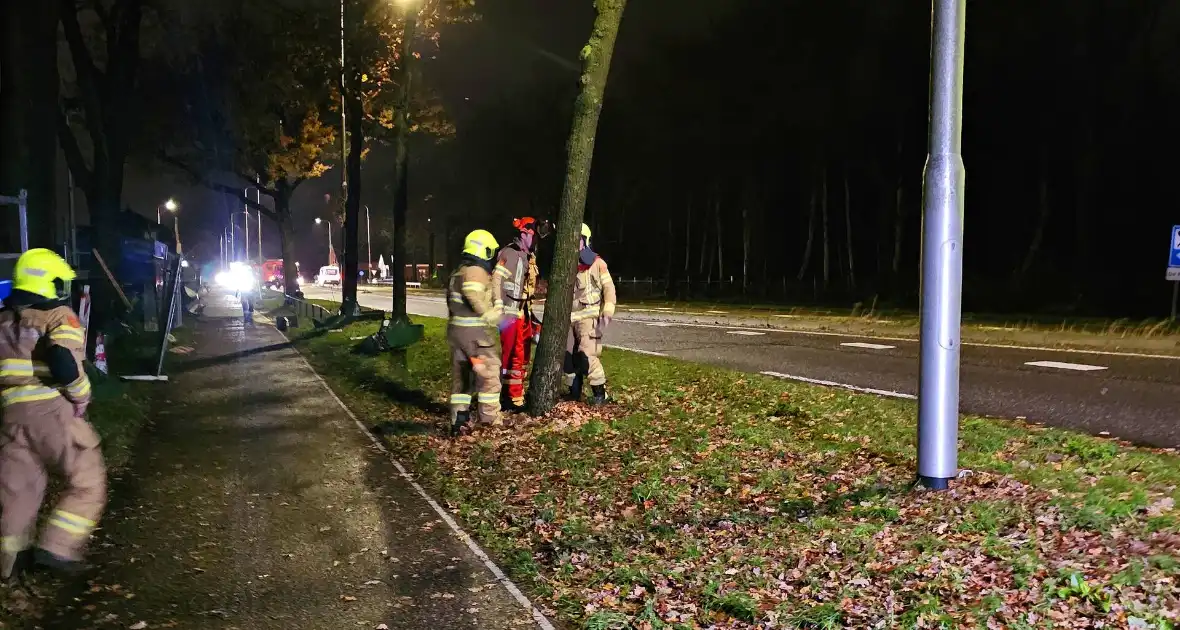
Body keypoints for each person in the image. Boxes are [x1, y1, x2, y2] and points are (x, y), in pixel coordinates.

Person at [0, 249, 106, 581]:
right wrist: (81, 395)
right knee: (88, 481)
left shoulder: (2, 319)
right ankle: (56, 547)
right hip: (50, 410)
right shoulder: (59, 316)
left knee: (18, 490)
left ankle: (10, 565)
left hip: (9, 417)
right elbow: (62, 360)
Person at [447, 230, 504, 436]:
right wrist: (491, 315)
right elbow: (473, 294)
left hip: (457, 338)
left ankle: (459, 420)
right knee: (489, 376)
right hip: (475, 340)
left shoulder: (457, 272)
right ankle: (490, 421)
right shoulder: (474, 272)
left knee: (462, 380)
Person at [490, 217, 544, 411]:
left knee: (519, 358)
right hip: (508, 313)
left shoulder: (527, 256)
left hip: (522, 314)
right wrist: (498, 306)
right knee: (507, 358)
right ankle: (498, 396)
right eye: (533, 236)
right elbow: (496, 280)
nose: (535, 240)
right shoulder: (511, 254)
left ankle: (514, 397)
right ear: (524, 234)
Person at [564, 224, 616, 405]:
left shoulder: (597, 263)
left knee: (587, 355)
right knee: (567, 357)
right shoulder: (566, 264)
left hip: (589, 318)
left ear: (585, 240)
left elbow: (609, 291)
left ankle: (600, 393)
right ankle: (574, 391)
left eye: (577, 239)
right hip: (569, 320)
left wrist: (606, 316)